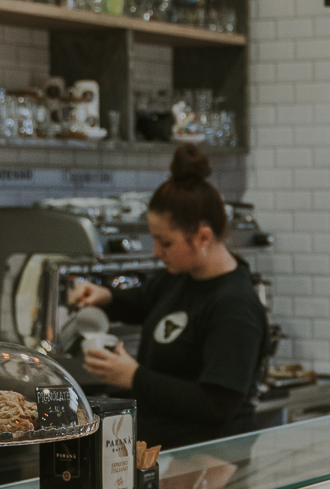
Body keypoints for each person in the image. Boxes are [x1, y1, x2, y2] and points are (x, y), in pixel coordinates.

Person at [70, 144, 270, 450]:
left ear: (203, 237)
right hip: (166, 452)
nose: (156, 252)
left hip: (210, 457)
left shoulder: (234, 305)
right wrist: (106, 297)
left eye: (165, 243)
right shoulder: (180, 278)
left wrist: (134, 377)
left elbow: (219, 404)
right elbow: (146, 302)